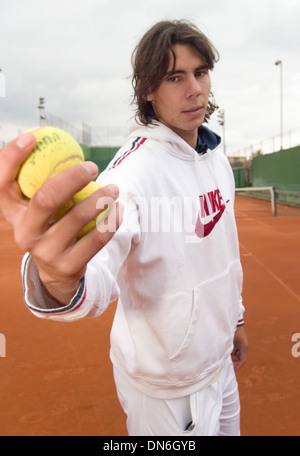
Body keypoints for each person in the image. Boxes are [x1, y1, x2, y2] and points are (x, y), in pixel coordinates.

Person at [0, 20, 248, 436]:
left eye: (200, 72)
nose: (195, 89)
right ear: (148, 89)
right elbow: (93, 276)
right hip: (162, 390)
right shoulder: (128, 177)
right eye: (174, 77)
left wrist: (235, 323)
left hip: (220, 365)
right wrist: (56, 279)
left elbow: (225, 254)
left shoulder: (216, 157)